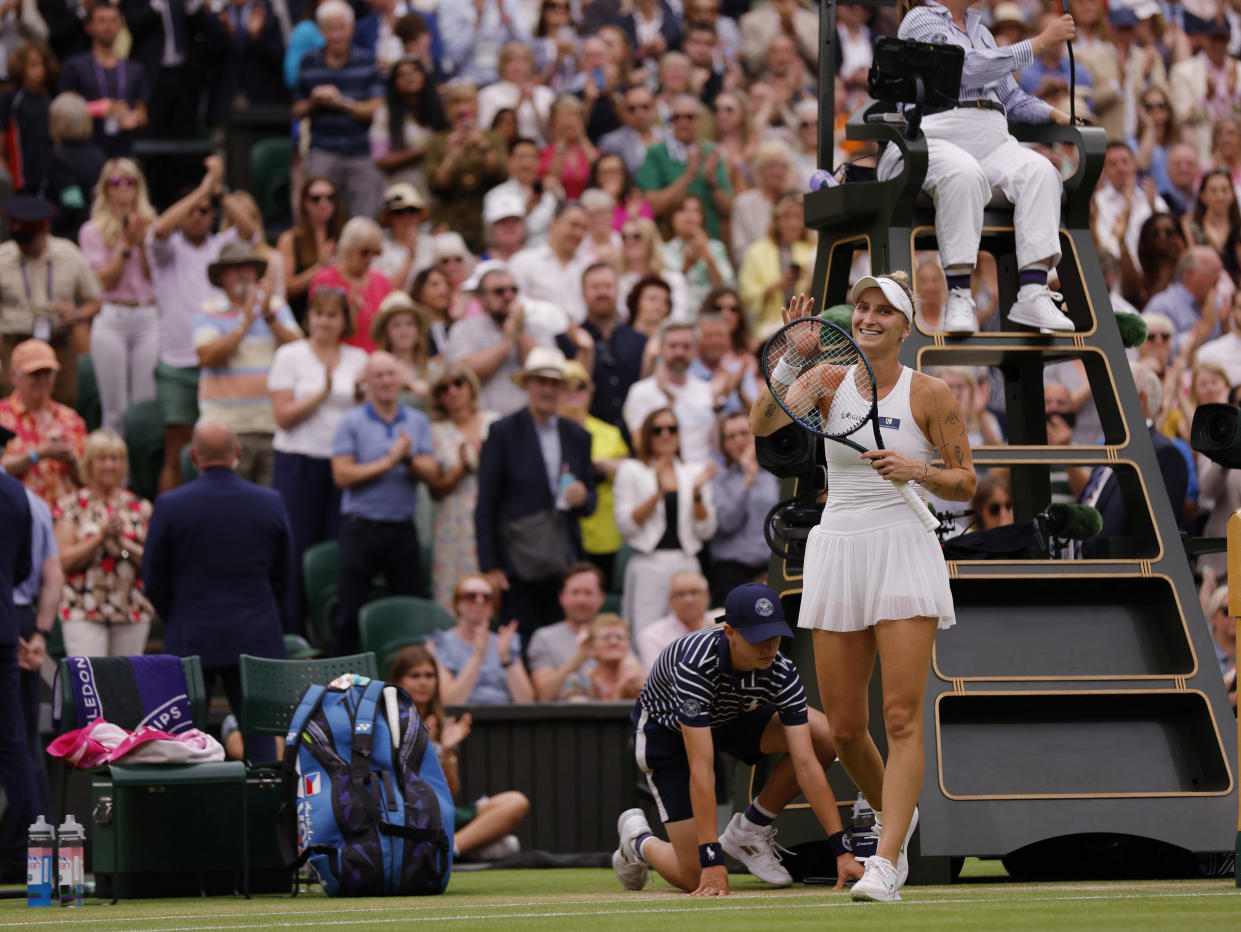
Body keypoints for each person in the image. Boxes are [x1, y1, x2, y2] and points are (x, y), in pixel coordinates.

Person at [749, 278, 976, 902]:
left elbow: (965, 483)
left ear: (907, 327)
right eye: (863, 309)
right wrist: (793, 356)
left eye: (884, 311)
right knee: (846, 728)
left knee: (900, 716)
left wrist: (919, 470)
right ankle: (896, 820)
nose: (869, 318)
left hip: (903, 546)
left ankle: (885, 860)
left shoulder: (931, 394)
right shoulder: (823, 382)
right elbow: (763, 422)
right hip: (838, 547)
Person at [611, 582, 864, 896]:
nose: (769, 647)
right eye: (758, 638)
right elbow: (702, 770)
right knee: (694, 877)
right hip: (667, 735)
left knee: (824, 737)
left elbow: (806, 763)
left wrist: (841, 850)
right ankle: (638, 841)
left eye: (775, 636)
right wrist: (712, 859)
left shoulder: (780, 669)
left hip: (731, 716)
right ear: (729, 632)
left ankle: (750, 828)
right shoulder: (694, 665)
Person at [882, 0, 1079, 337]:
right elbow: (965, 68)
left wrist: (1053, 115)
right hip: (936, 133)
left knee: (1042, 173)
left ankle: (1033, 292)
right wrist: (1040, 42)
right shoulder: (919, 20)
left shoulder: (983, 32)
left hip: (992, 138)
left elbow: (1012, 99)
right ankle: (958, 296)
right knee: (964, 173)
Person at [142, 421, 291, 741]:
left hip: (192, 634)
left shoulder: (170, 505)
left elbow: (153, 578)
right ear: (237, 453)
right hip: (256, 634)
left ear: (193, 456)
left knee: (181, 745)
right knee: (264, 749)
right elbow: (283, 575)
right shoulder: (270, 502)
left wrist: (180, 613)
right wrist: (260, 608)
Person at [148, 156, 258, 493]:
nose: (199, 214)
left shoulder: (223, 247)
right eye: (194, 209)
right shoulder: (166, 249)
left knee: (224, 446)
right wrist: (203, 189)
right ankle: (171, 515)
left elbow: (249, 231)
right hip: (178, 363)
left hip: (222, 360)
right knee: (178, 448)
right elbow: (161, 228)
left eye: (206, 210)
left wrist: (219, 191)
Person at [475, 347, 596, 644]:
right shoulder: (502, 432)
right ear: (527, 385)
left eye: (554, 383)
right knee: (518, 644)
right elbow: (485, 504)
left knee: (564, 642)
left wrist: (585, 496)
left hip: (563, 560)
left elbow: (591, 499)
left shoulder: (578, 436)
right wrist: (490, 565)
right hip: (516, 563)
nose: (547, 389)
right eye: (540, 381)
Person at [268, 285, 368, 633]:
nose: (324, 321)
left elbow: (363, 413)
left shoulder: (359, 359)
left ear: (344, 321)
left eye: (332, 315)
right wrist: (322, 393)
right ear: (308, 317)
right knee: (297, 548)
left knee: (336, 548)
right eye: (318, 314)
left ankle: (329, 630)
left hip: (341, 465)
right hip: (298, 462)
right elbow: (283, 417)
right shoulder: (290, 355)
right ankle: (292, 630)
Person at [330, 351, 439, 655]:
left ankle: (411, 684)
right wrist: (388, 461)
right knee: (348, 613)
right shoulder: (351, 421)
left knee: (411, 609)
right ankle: (340, 688)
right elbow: (342, 474)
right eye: (378, 375)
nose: (387, 381)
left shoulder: (416, 421)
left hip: (402, 528)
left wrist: (407, 460)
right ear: (366, 381)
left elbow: (430, 471)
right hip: (360, 527)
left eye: (392, 374)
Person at [389, 644, 530, 860]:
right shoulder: (387, 723)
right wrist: (420, 750)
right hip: (409, 813)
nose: (424, 682)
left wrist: (446, 750)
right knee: (507, 845)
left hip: (442, 810)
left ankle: (449, 850)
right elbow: (401, 788)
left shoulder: (445, 724)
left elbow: (451, 792)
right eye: (415, 675)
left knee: (515, 802)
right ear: (398, 681)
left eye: (430, 675)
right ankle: (467, 848)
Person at [194, 241, 301, 487]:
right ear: (221, 276)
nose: (243, 273)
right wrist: (247, 319)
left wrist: (269, 318)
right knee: (226, 508)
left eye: (248, 267)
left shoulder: (276, 308)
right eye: (235, 268)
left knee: (269, 509)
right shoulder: (207, 311)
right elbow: (208, 356)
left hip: (272, 427)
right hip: (225, 432)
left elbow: (299, 349)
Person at [613, 407, 717, 636]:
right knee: (644, 630)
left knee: (693, 630)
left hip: (687, 561)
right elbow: (625, 526)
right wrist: (658, 493)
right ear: (648, 435)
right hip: (647, 562)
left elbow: (706, 530)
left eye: (672, 429)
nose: (665, 435)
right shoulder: (631, 470)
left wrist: (697, 494)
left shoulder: (694, 472)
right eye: (657, 430)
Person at [52, 427, 153, 655]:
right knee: (88, 684)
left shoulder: (140, 506)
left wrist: (124, 546)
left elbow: (151, 563)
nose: (109, 465)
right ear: (89, 463)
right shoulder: (71, 505)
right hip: (83, 609)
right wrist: (100, 538)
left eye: (114, 459)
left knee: (124, 684)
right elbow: (64, 562)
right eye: (102, 459)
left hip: (130, 608)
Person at [79, 158, 159, 433]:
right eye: (116, 182)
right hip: (112, 315)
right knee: (115, 409)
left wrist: (144, 243)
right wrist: (126, 245)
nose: (123, 187)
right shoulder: (92, 230)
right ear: (105, 188)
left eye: (130, 181)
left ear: (139, 187)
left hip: (148, 315)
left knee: (144, 405)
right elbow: (100, 282)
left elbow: (157, 277)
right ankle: (114, 475)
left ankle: (140, 475)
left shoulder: (155, 225)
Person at [0, 194, 101, 406]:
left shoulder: (69, 254)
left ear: (45, 230)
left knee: (67, 401)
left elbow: (95, 300)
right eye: (19, 240)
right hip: (15, 343)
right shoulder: (4, 256)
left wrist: (78, 314)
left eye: (29, 240)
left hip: (58, 343)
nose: (23, 246)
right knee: (13, 404)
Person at [293, 0, 385, 219]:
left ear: (351, 29)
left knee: (365, 218)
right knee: (317, 213)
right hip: (322, 148)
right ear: (321, 31)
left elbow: (376, 108)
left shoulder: (366, 61)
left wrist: (342, 102)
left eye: (340, 28)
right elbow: (297, 109)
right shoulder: (309, 61)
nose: (336, 36)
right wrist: (315, 101)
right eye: (330, 29)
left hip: (360, 150)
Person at [427, 362, 500, 611]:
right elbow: (434, 490)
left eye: (458, 383)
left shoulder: (494, 422)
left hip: (494, 514)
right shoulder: (435, 432)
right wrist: (458, 470)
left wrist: (486, 458)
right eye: (443, 389)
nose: (453, 392)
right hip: (453, 518)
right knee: (452, 587)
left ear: (470, 386)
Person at [558, 359, 629, 588]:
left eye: (579, 386)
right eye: (565, 386)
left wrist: (610, 466)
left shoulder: (609, 433)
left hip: (603, 529)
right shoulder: (549, 432)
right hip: (562, 529)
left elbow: (629, 472)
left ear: (589, 392)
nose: (572, 393)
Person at [445, 264, 548, 418]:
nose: (508, 296)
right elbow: (463, 375)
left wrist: (519, 332)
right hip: (483, 425)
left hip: (529, 424)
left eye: (513, 290)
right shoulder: (464, 329)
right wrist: (507, 342)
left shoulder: (535, 327)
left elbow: (545, 371)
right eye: (499, 291)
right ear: (481, 298)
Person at [0, 338, 87, 508]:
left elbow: (90, 479)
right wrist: (37, 454)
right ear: (14, 376)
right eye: (34, 373)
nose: (42, 380)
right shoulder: (2, 415)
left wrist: (71, 459)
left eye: (47, 373)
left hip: (64, 516)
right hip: (15, 514)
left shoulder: (71, 419)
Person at [424, 82, 508, 254]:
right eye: (456, 103)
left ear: (477, 106)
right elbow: (435, 185)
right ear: (447, 110)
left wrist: (483, 146)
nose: (463, 109)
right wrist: (453, 156)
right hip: (450, 220)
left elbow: (501, 175)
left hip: (485, 221)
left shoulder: (493, 138)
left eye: (468, 102)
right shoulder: (437, 142)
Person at [57, 2, 149, 157]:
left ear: (121, 26)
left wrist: (134, 118)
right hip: (85, 151)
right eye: (102, 20)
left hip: (123, 151)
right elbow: (64, 111)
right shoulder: (74, 65)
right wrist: (99, 109)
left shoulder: (135, 69)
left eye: (114, 20)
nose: (108, 26)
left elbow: (143, 113)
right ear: (89, 26)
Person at [707, 412, 780, 606]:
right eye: (731, 436)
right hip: (732, 568)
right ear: (723, 444)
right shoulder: (718, 478)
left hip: (771, 565)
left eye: (744, 433)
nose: (738, 440)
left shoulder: (775, 475)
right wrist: (747, 479)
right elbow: (726, 523)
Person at [637, 97, 732, 242]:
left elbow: (727, 209)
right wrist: (688, 176)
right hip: (669, 243)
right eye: (677, 117)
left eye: (689, 117)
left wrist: (712, 181)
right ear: (670, 122)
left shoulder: (711, 153)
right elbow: (652, 207)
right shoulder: (655, 154)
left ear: (699, 120)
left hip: (709, 240)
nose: (683, 122)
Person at [0, 465, 33, 884]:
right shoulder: (14, 491)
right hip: (3, 628)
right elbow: (23, 567)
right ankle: (27, 853)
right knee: (12, 742)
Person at [432, 572, 535, 704]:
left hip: (505, 719)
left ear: (494, 606)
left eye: (487, 597)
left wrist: (506, 659)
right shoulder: (441, 643)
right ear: (457, 603)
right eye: (471, 596)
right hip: (462, 719)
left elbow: (526, 702)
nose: (479, 601)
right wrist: (478, 656)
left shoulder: (506, 641)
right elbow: (449, 702)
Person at [623, 321, 717, 466]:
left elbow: (715, 444)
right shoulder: (641, 392)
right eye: (673, 346)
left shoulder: (707, 390)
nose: (679, 352)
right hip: (662, 477)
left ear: (696, 350)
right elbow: (639, 444)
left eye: (686, 346)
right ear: (661, 348)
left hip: (705, 477)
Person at [527, 562, 615, 700]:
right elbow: (543, 696)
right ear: (562, 597)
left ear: (602, 597)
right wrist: (578, 659)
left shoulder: (615, 634)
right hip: (560, 718)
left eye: (588, 593)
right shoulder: (543, 638)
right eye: (575, 592)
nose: (581, 600)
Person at [581, 263, 648, 430]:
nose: (602, 292)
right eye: (595, 287)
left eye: (607, 286)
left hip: (632, 434)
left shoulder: (639, 340)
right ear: (583, 293)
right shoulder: (568, 341)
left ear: (618, 290)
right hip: (589, 436)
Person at [310, 217, 392, 353]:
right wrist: (350, 315)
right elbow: (319, 328)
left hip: (377, 362)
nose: (370, 258)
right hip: (338, 360)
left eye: (376, 252)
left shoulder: (382, 281)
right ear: (347, 248)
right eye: (365, 252)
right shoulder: (325, 279)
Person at [738, 193, 815, 337]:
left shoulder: (814, 250)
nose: (792, 223)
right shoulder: (756, 252)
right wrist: (778, 284)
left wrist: (808, 278)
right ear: (777, 220)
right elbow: (747, 294)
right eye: (787, 217)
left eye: (798, 217)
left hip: (808, 327)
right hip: (769, 328)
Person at [277, 176, 348, 328]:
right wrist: (319, 267)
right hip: (301, 318)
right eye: (316, 199)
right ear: (304, 202)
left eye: (330, 198)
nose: (324, 203)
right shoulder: (289, 239)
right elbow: (286, 288)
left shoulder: (345, 237)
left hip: (340, 323)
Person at [509, 201, 591, 325]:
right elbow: (513, 304)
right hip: (538, 339)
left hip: (586, 338)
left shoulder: (588, 266)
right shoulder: (523, 262)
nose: (578, 233)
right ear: (554, 224)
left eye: (584, 228)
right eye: (573, 225)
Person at [372, 56, 447, 191]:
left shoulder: (441, 109)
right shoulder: (384, 114)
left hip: (438, 185)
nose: (409, 77)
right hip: (402, 186)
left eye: (415, 71)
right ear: (394, 83)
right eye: (402, 75)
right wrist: (420, 152)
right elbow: (381, 160)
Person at [46, 92, 107, 243]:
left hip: (70, 236)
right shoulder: (98, 154)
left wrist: (45, 227)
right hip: (98, 228)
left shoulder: (58, 157)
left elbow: (72, 203)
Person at [661, 194, 736, 315]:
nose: (690, 216)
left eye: (696, 211)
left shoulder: (716, 248)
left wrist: (708, 258)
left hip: (712, 317)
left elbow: (728, 291)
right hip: (678, 317)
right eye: (682, 210)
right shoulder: (662, 251)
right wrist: (687, 265)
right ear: (671, 217)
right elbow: (664, 292)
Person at [0, 40, 57, 196]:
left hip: (46, 177)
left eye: (42, 65)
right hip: (19, 177)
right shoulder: (12, 99)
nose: (40, 71)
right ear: (21, 67)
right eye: (33, 65)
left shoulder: (48, 99)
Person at [636, 569, 713, 673]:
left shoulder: (722, 624)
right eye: (680, 594)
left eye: (694, 592)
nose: (688, 600)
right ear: (670, 600)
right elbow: (657, 677)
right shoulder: (652, 635)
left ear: (706, 595)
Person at [560, 613, 645, 700]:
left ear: (628, 646)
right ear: (591, 648)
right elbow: (580, 712)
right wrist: (620, 696)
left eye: (620, 637)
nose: (614, 642)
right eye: (606, 637)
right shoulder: (578, 681)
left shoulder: (637, 681)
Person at [373, 183, 434, 296]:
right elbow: (384, 290)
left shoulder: (432, 244)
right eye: (399, 212)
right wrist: (411, 258)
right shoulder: (380, 250)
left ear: (419, 215)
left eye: (412, 210)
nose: (407, 217)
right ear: (390, 218)